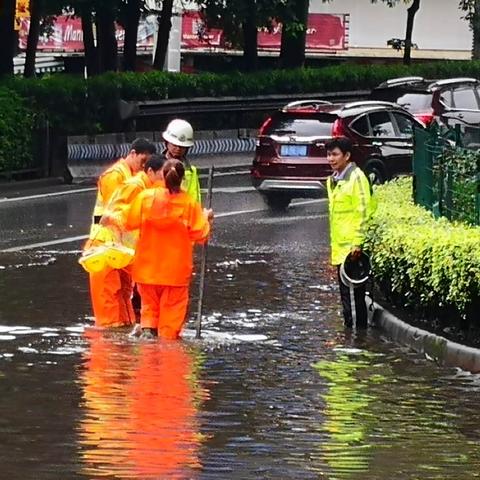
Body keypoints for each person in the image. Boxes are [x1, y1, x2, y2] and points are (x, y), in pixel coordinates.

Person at [125, 159, 212, 340]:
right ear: (182, 179)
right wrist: (206, 218)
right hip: (175, 274)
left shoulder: (145, 198)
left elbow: (129, 222)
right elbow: (201, 234)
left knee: (149, 310)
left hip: (146, 270)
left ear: (163, 176)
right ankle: (167, 355)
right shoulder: (188, 204)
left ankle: (148, 336)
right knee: (170, 327)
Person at [85, 138, 156, 328]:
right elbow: (115, 213)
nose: (143, 168)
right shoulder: (115, 176)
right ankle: (112, 345)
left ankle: (122, 339)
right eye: (142, 162)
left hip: (120, 249)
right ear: (132, 154)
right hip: (105, 247)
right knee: (109, 301)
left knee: (123, 296)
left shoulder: (135, 178)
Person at [326, 137, 375, 329]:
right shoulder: (333, 180)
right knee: (346, 299)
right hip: (340, 249)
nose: (331, 159)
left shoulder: (356, 178)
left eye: (335, 154)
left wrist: (358, 242)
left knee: (355, 300)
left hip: (353, 250)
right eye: (329, 155)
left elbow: (364, 211)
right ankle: (351, 336)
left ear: (347, 156)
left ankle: (357, 340)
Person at [162, 119, 201, 203]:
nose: (178, 149)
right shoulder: (156, 167)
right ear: (167, 143)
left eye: (182, 146)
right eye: (175, 145)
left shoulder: (191, 171)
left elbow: (195, 200)